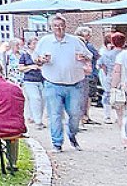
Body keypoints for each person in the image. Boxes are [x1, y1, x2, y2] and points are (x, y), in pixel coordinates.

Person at [34, 14, 92, 152]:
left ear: (65, 26)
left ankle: (72, 135)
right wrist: (41, 60)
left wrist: (84, 57)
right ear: (51, 27)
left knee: (75, 114)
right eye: (56, 26)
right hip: (53, 83)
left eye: (61, 25)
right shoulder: (45, 41)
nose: (59, 28)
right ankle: (57, 143)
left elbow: (89, 56)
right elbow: (35, 58)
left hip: (75, 83)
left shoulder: (75, 41)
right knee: (55, 114)